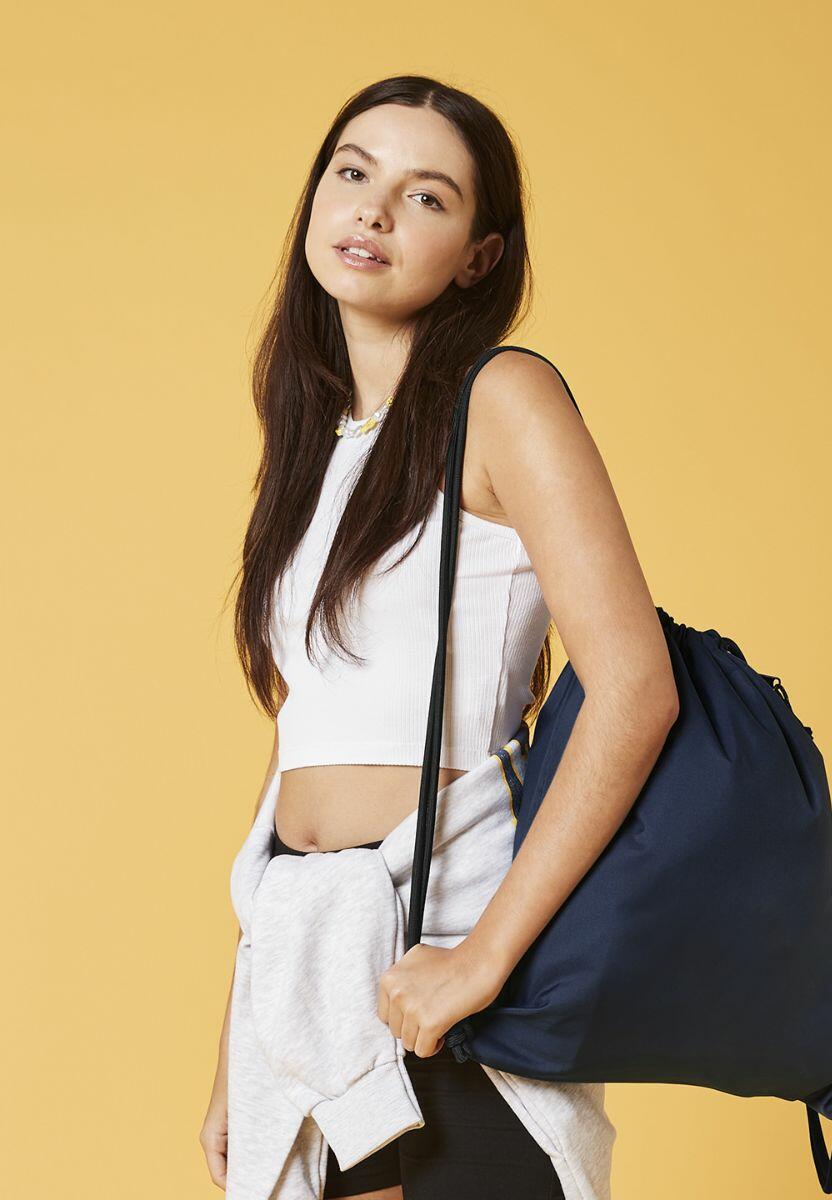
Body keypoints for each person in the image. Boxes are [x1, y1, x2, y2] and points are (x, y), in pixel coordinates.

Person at [200, 73, 679, 1200]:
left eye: (426, 197)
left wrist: (481, 959)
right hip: (310, 970)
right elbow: (298, 743)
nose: (370, 210)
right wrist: (238, 1034)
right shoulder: (315, 442)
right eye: (354, 173)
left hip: (444, 948)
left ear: (479, 254)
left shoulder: (501, 397)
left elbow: (634, 686)